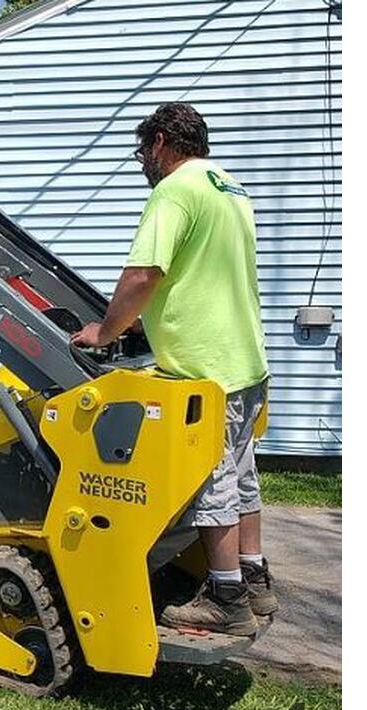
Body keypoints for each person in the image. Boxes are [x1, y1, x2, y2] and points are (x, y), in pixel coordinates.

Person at [70, 102, 277, 635]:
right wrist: (148, 323)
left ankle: (226, 596)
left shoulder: (174, 191)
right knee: (242, 473)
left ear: (160, 142)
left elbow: (144, 274)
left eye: (143, 151)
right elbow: (198, 273)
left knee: (213, 480)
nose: (143, 162)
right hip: (245, 358)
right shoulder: (227, 187)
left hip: (206, 369)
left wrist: (105, 331)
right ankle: (255, 580)